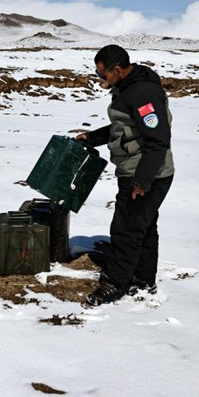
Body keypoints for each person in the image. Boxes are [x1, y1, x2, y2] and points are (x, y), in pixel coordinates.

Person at [77, 45, 174, 306]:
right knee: (143, 228)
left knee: (126, 230)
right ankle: (143, 279)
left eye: (103, 75)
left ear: (118, 69)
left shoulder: (142, 93)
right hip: (139, 169)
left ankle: (115, 284)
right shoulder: (129, 88)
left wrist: (142, 181)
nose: (101, 80)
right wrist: (93, 137)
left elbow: (157, 139)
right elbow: (125, 127)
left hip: (146, 172)